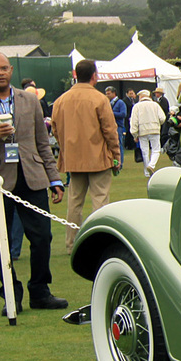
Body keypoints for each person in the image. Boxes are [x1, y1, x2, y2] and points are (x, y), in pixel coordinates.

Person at [0, 52, 68, 312]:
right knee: (2, 243)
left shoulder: (30, 101)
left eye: (3, 68)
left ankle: (40, 291)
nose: (0, 73)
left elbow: (43, 143)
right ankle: (12, 294)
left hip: (32, 178)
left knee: (42, 237)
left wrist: (54, 179)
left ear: (10, 71)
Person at [51, 59, 121, 255]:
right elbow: (110, 131)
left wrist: (66, 148)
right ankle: (99, 243)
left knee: (74, 202)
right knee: (100, 201)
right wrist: (116, 155)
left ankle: (71, 244)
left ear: (75, 75)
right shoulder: (99, 99)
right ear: (94, 76)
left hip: (73, 159)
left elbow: (55, 130)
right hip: (98, 157)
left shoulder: (61, 100)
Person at [130, 86, 167, 177]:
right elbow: (162, 118)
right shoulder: (155, 105)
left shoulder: (136, 106)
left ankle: (147, 172)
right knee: (156, 150)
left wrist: (135, 134)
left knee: (144, 151)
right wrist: (158, 124)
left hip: (142, 132)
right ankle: (151, 165)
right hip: (154, 130)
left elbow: (133, 121)